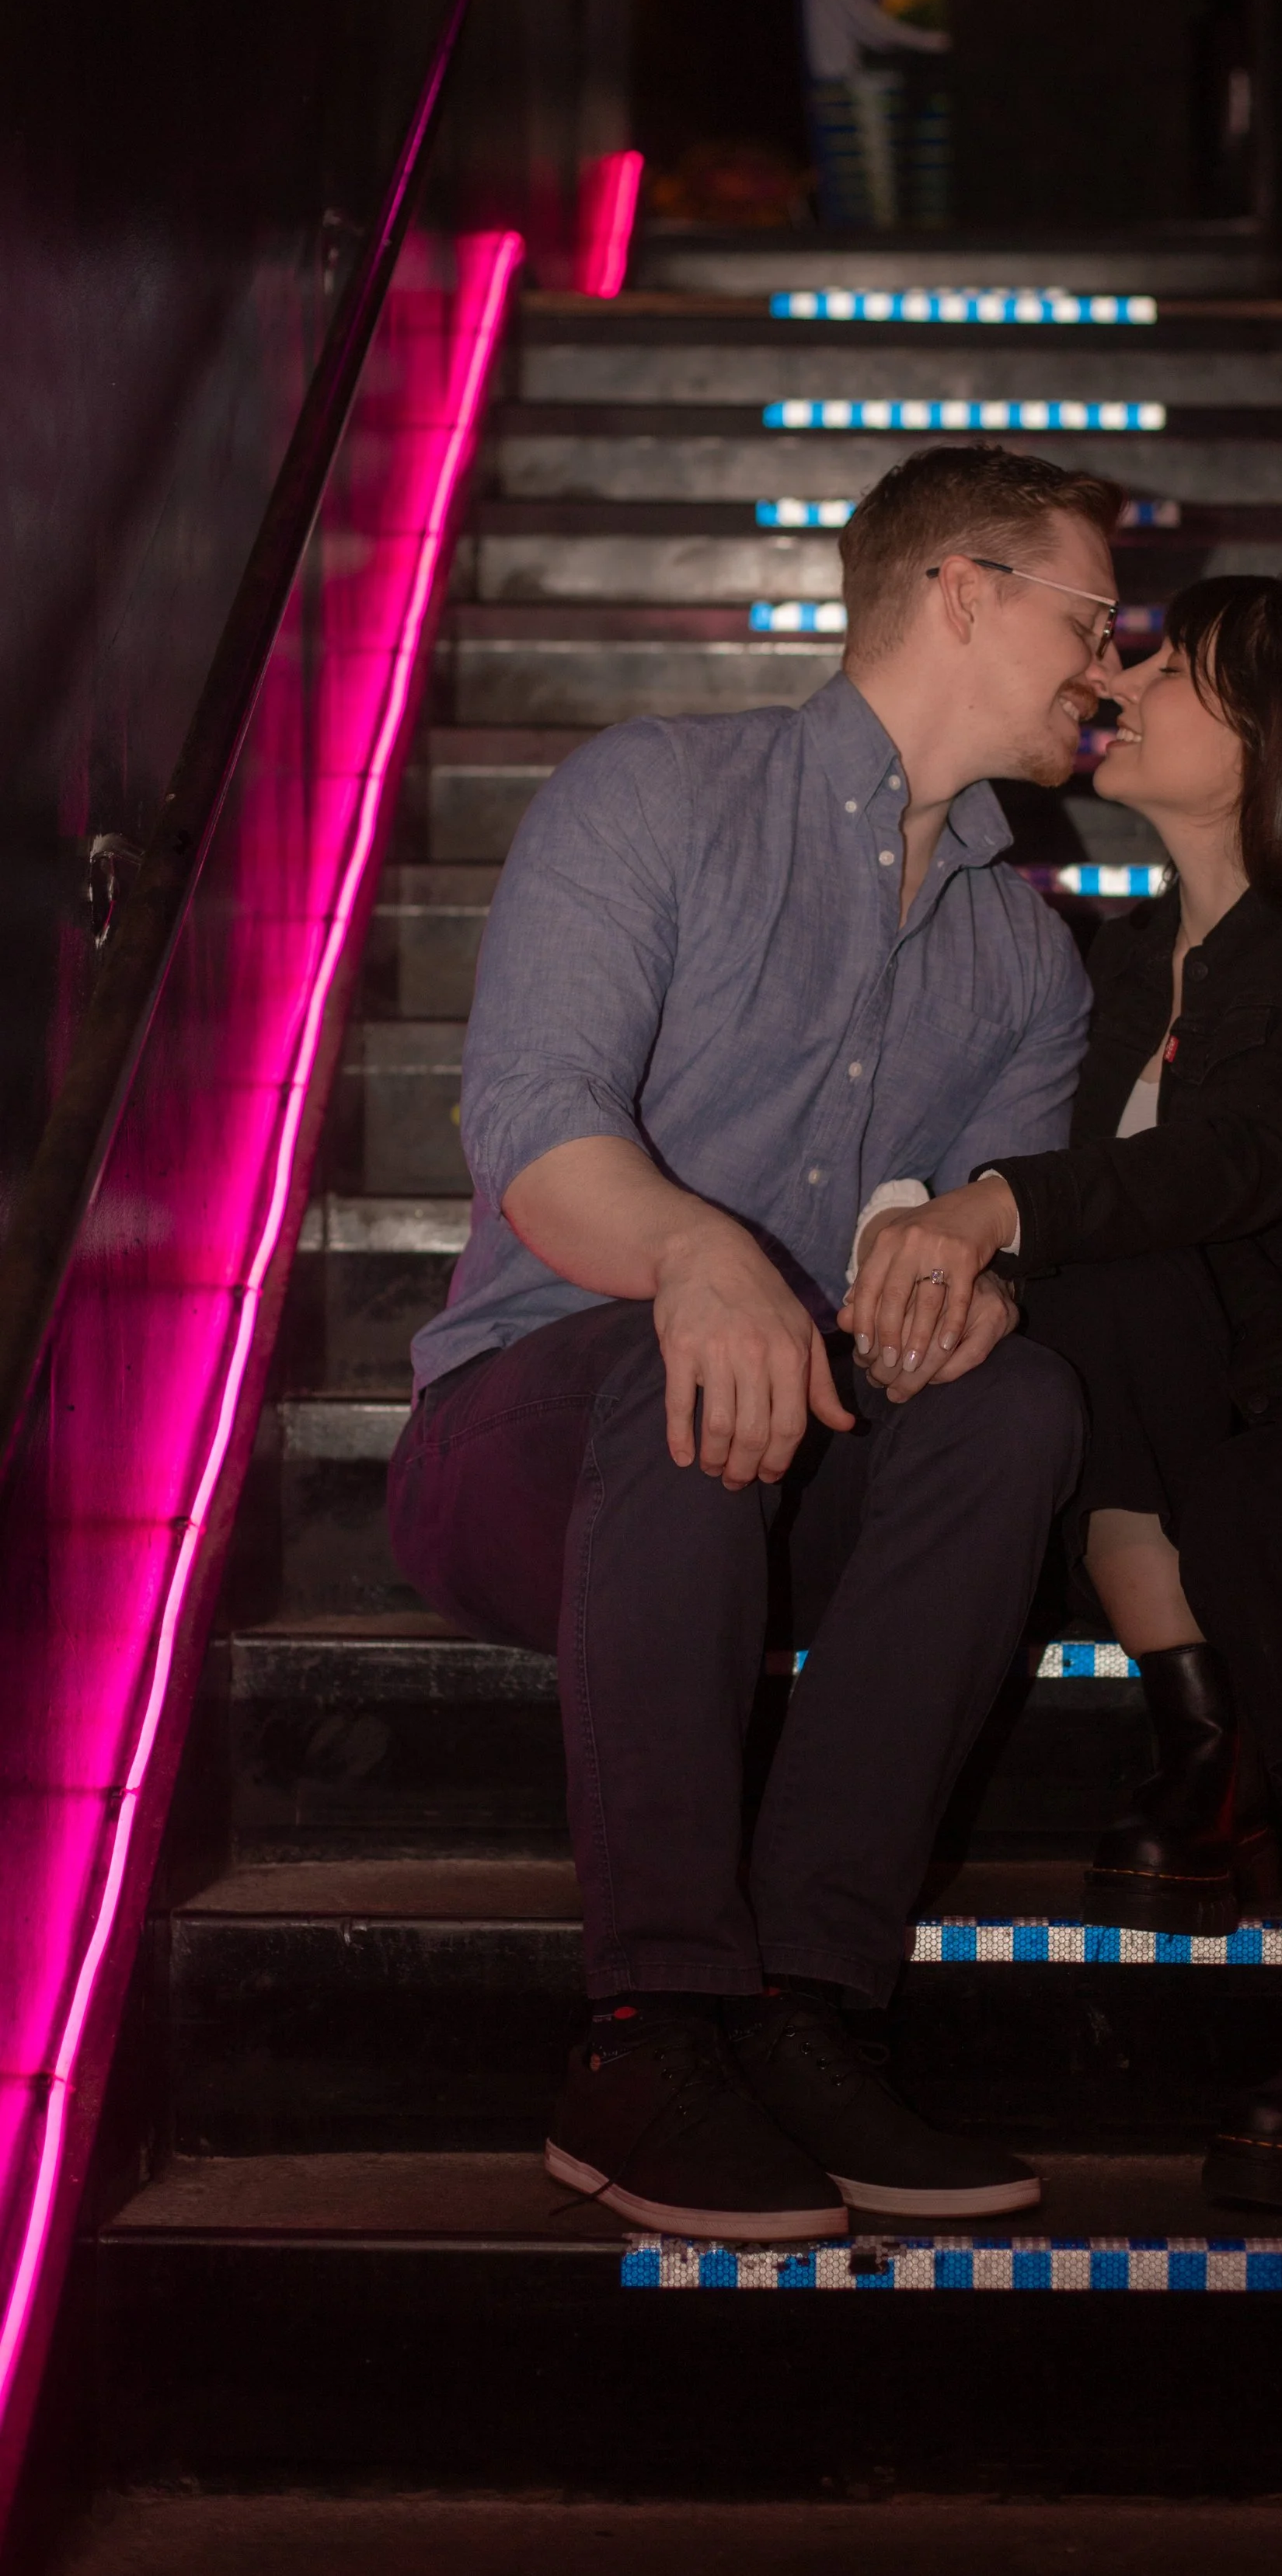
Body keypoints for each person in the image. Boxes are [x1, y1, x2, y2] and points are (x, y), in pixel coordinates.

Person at [388, 444, 1125, 2243]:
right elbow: (538, 1126)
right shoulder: (652, 795)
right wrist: (698, 1252)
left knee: (1014, 1401)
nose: (1106, 667)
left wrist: (969, 1288)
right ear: (959, 591)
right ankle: (647, 2028)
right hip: (532, 1448)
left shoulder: (1028, 966)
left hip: (785, 1489)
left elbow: (965, 1238)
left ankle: (806, 2010)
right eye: (1089, 618)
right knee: (671, 1337)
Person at [843, 573, 1282, 2213]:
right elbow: (1121, 1222)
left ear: (1273, 738)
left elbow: (1233, 1165)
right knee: (1081, 1299)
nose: (1122, 675)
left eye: (1174, 666)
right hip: (1213, 1439)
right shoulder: (1129, 956)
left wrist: (1001, 1204)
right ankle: (1205, 1734)